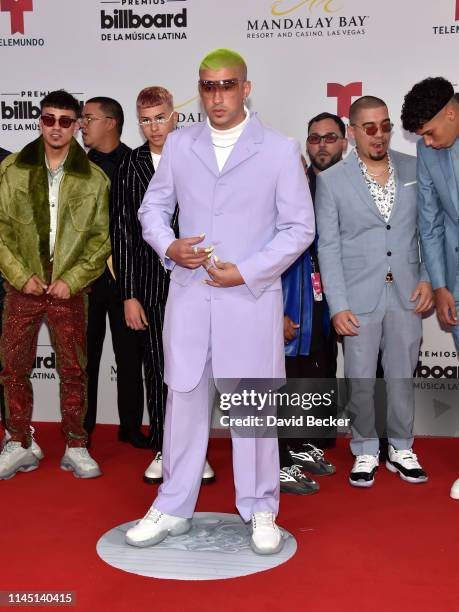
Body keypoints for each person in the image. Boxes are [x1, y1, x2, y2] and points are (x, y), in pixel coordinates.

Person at [127, 48, 314, 555]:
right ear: (200, 90)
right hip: (188, 299)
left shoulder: (278, 149)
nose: (218, 96)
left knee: (252, 407)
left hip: (250, 302)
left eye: (228, 85)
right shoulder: (180, 145)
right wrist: (169, 246)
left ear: (246, 88)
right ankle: (172, 504)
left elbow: (300, 228)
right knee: (183, 401)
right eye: (208, 86)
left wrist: (247, 271)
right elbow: (153, 208)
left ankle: (261, 508)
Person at [316, 96, 433, 488]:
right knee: (361, 376)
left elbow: (429, 232)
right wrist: (338, 304)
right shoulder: (331, 181)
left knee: (401, 374)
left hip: (407, 292)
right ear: (352, 132)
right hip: (357, 296)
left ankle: (401, 447)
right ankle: (365, 449)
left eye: (384, 126)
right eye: (369, 128)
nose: (379, 134)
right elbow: (328, 247)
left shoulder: (415, 168)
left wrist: (428, 278)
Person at [0, 90, 110, 480]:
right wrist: (19, 275)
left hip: (70, 290)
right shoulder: (12, 170)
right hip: (21, 287)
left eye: (66, 121)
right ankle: (18, 441)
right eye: (49, 119)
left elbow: (100, 240)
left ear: (78, 124)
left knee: (73, 370)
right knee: (12, 368)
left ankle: (76, 445)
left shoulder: (94, 179)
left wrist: (71, 279)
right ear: (39, 121)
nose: (57, 128)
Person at [110, 86, 214, 483]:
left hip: (202, 278)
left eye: (160, 117)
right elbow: (123, 233)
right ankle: (163, 449)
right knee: (158, 368)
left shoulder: (198, 154)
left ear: (175, 117)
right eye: (146, 120)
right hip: (151, 285)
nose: (154, 126)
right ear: (139, 123)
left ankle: (196, 451)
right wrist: (129, 294)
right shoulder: (130, 164)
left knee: (198, 371)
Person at [279, 112, 346, 495]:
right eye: (315, 138)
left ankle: (299, 442)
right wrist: (277, 310)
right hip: (289, 296)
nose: (321, 145)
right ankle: (278, 457)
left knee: (315, 366)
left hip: (323, 296)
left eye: (330, 138)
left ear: (343, 142)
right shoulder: (286, 190)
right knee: (284, 374)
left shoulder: (341, 187)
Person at [401, 77, 459, 500]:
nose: (427, 141)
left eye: (430, 130)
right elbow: (431, 221)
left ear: (451, 112)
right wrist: (440, 284)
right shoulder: (427, 150)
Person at [80, 96, 149, 449]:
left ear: (110, 122)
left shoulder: (138, 162)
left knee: (131, 355)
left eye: (87, 118)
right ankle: (82, 429)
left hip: (129, 279)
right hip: (86, 279)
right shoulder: (74, 165)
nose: (80, 124)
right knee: (84, 358)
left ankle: (131, 427)